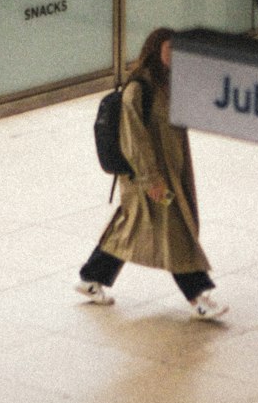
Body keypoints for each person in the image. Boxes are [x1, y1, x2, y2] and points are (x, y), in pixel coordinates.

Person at [77, 27, 229, 320]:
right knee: (175, 234)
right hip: (150, 179)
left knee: (131, 229)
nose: (173, 56)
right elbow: (134, 141)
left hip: (168, 174)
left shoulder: (167, 84)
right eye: (169, 50)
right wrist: (151, 180)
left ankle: (90, 277)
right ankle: (198, 296)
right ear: (154, 51)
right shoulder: (139, 89)